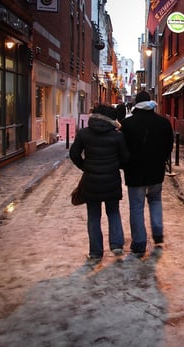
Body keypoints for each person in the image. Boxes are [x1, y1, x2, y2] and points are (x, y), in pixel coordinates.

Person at [69, 104, 130, 262]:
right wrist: (116, 165)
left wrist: (86, 167)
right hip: (111, 180)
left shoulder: (84, 134)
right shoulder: (117, 135)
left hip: (91, 181)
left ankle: (96, 251)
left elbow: (74, 154)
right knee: (113, 212)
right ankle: (116, 244)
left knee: (94, 216)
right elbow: (125, 158)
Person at [120, 91, 174, 257]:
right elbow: (169, 145)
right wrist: (162, 161)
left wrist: (125, 165)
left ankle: (139, 242)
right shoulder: (163, 123)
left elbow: (122, 149)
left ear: (136, 104)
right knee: (155, 201)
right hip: (156, 171)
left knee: (137, 207)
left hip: (134, 173)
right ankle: (157, 234)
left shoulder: (127, 124)